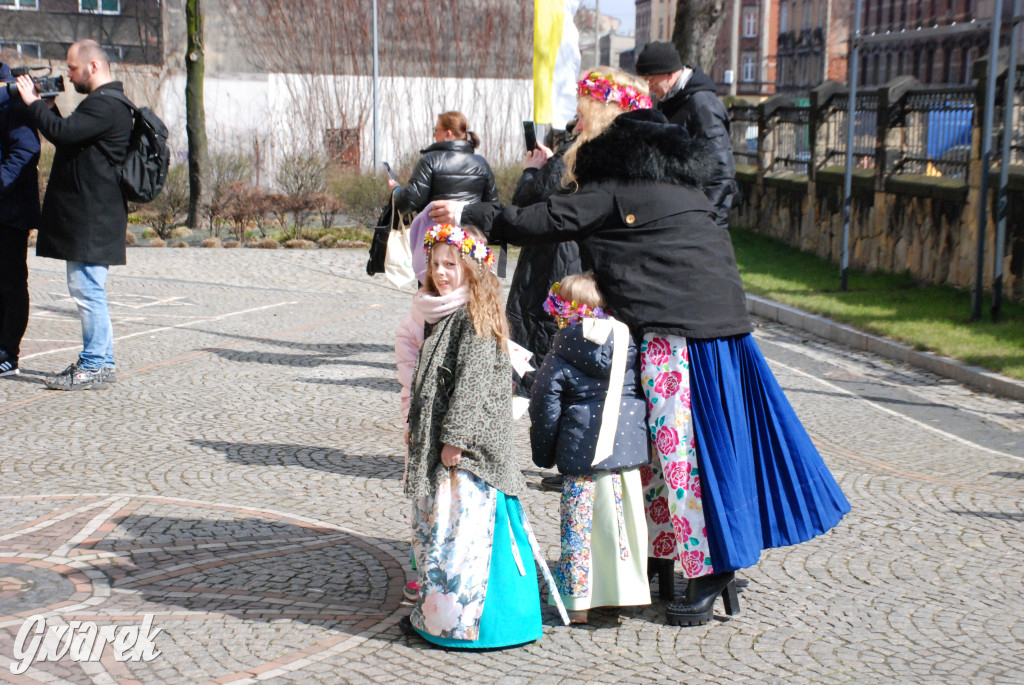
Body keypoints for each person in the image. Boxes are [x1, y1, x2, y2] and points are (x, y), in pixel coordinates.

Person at [431, 67, 850, 627]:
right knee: (657, 449)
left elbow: (543, 220)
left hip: (680, 332)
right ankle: (661, 555)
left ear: (603, 122)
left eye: (582, 115)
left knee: (676, 453)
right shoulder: (671, 178)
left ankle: (707, 567)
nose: (574, 126)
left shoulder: (615, 182)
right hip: (710, 326)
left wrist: (471, 214)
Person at [402, 223, 564, 648]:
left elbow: (471, 387)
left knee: (466, 542)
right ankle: (437, 617)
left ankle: (467, 626)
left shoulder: (472, 318)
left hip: (470, 457)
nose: (440, 273)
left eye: (450, 265)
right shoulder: (443, 314)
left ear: (470, 268)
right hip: (445, 448)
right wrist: (414, 427)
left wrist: (453, 440)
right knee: (443, 537)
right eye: (435, 264)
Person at [528, 273, 650, 623]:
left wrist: (544, 453)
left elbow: (544, 403)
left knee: (579, 529)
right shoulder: (630, 341)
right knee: (621, 525)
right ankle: (622, 592)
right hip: (624, 451)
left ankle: (578, 604)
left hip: (581, 451)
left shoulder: (563, 347)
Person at [16, 39, 132, 390]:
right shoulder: (105, 104)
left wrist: (34, 103)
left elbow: (62, 133)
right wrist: (48, 106)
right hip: (95, 217)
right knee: (89, 288)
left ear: (93, 67)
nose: (69, 74)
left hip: (93, 219)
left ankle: (95, 364)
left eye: (72, 68)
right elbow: (70, 136)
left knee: (87, 290)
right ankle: (101, 361)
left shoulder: (106, 105)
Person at [634, 41, 737, 230]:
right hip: (682, 212)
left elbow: (722, 174)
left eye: (651, 80)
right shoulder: (672, 101)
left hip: (703, 219)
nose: (648, 87)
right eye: (644, 81)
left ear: (671, 73)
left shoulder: (703, 106)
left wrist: (704, 221)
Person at [0, 61, 41, 378]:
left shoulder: (13, 99)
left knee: (10, 284)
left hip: (9, 214)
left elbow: (26, 150)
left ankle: (7, 353)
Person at [388, 111, 498, 217]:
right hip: (471, 232)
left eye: (436, 130)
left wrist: (396, 189)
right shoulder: (482, 163)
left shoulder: (429, 160)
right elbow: (492, 206)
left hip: (437, 232)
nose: (434, 135)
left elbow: (408, 202)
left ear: (448, 134)